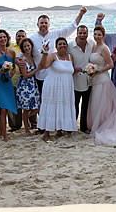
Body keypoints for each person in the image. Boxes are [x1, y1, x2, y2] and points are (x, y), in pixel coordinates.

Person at [29, 7, 87, 135]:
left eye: (46, 23)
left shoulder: (56, 35)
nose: (43, 25)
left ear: (49, 24)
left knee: (58, 103)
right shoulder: (32, 39)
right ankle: (43, 127)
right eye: (41, 23)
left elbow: (71, 27)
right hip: (41, 75)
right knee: (45, 103)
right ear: (37, 24)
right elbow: (25, 52)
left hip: (59, 76)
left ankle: (58, 127)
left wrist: (80, 14)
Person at [0, 16, 32, 132]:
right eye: (18, 36)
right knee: (12, 105)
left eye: (22, 36)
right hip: (11, 80)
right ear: (15, 38)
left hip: (26, 81)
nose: (20, 37)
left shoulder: (28, 47)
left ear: (26, 37)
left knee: (27, 103)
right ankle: (15, 125)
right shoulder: (10, 47)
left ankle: (32, 123)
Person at [37, 37, 78, 142]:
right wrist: (45, 52)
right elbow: (44, 66)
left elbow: (70, 70)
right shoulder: (52, 56)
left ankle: (59, 129)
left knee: (63, 106)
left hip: (66, 86)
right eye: (60, 44)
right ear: (56, 46)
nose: (62, 46)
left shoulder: (70, 56)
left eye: (64, 44)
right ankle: (46, 133)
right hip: (53, 85)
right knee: (51, 107)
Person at [0, 29, 17, 142]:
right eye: (0, 37)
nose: (2, 39)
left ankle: (1, 130)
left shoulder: (11, 52)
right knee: (3, 109)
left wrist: (12, 72)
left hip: (7, 82)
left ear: (7, 38)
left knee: (6, 108)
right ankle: (5, 135)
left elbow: (14, 67)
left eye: (4, 37)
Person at [67, 25, 95, 133]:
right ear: (77, 34)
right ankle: (71, 126)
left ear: (87, 34)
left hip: (88, 80)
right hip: (75, 81)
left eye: (84, 33)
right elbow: (64, 60)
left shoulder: (91, 44)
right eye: (80, 33)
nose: (82, 35)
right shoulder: (70, 46)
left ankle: (83, 127)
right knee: (74, 105)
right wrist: (72, 68)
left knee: (86, 106)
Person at [15, 38, 41, 135]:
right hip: (24, 86)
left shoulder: (33, 57)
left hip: (33, 85)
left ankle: (30, 122)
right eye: (25, 46)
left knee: (37, 107)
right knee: (25, 109)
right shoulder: (21, 59)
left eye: (28, 46)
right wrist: (37, 69)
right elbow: (25, 75)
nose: (27, 48)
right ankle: (26, 128)